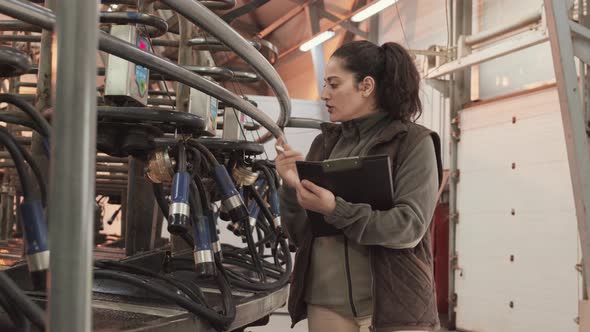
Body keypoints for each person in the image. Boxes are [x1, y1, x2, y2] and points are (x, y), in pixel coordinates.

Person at [275, 40, 442, 332]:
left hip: (394, 307)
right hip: (325, 304)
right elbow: (302, 235)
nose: (324, 94)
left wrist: (336, 209)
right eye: (325, 84)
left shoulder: (414, 142)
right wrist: (291, 189)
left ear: (366, 86)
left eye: (334, 85)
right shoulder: (324, 144)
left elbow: (408, 227)